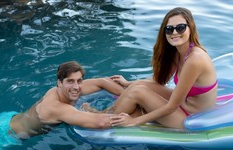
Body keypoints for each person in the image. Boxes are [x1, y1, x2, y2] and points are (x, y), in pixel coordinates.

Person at [83, 7, 217, 129]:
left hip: (191, 119)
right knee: (139, 85)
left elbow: (171, 106)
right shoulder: (179, 52)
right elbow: (160, 81)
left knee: (138, 92)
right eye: (169, 29)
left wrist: (135, 121)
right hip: (185, 105)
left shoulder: (195, 60)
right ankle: (108, 113)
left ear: (190, 28)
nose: (174, 33)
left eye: (180, 28)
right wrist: (129, 83)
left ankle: (105, 119)